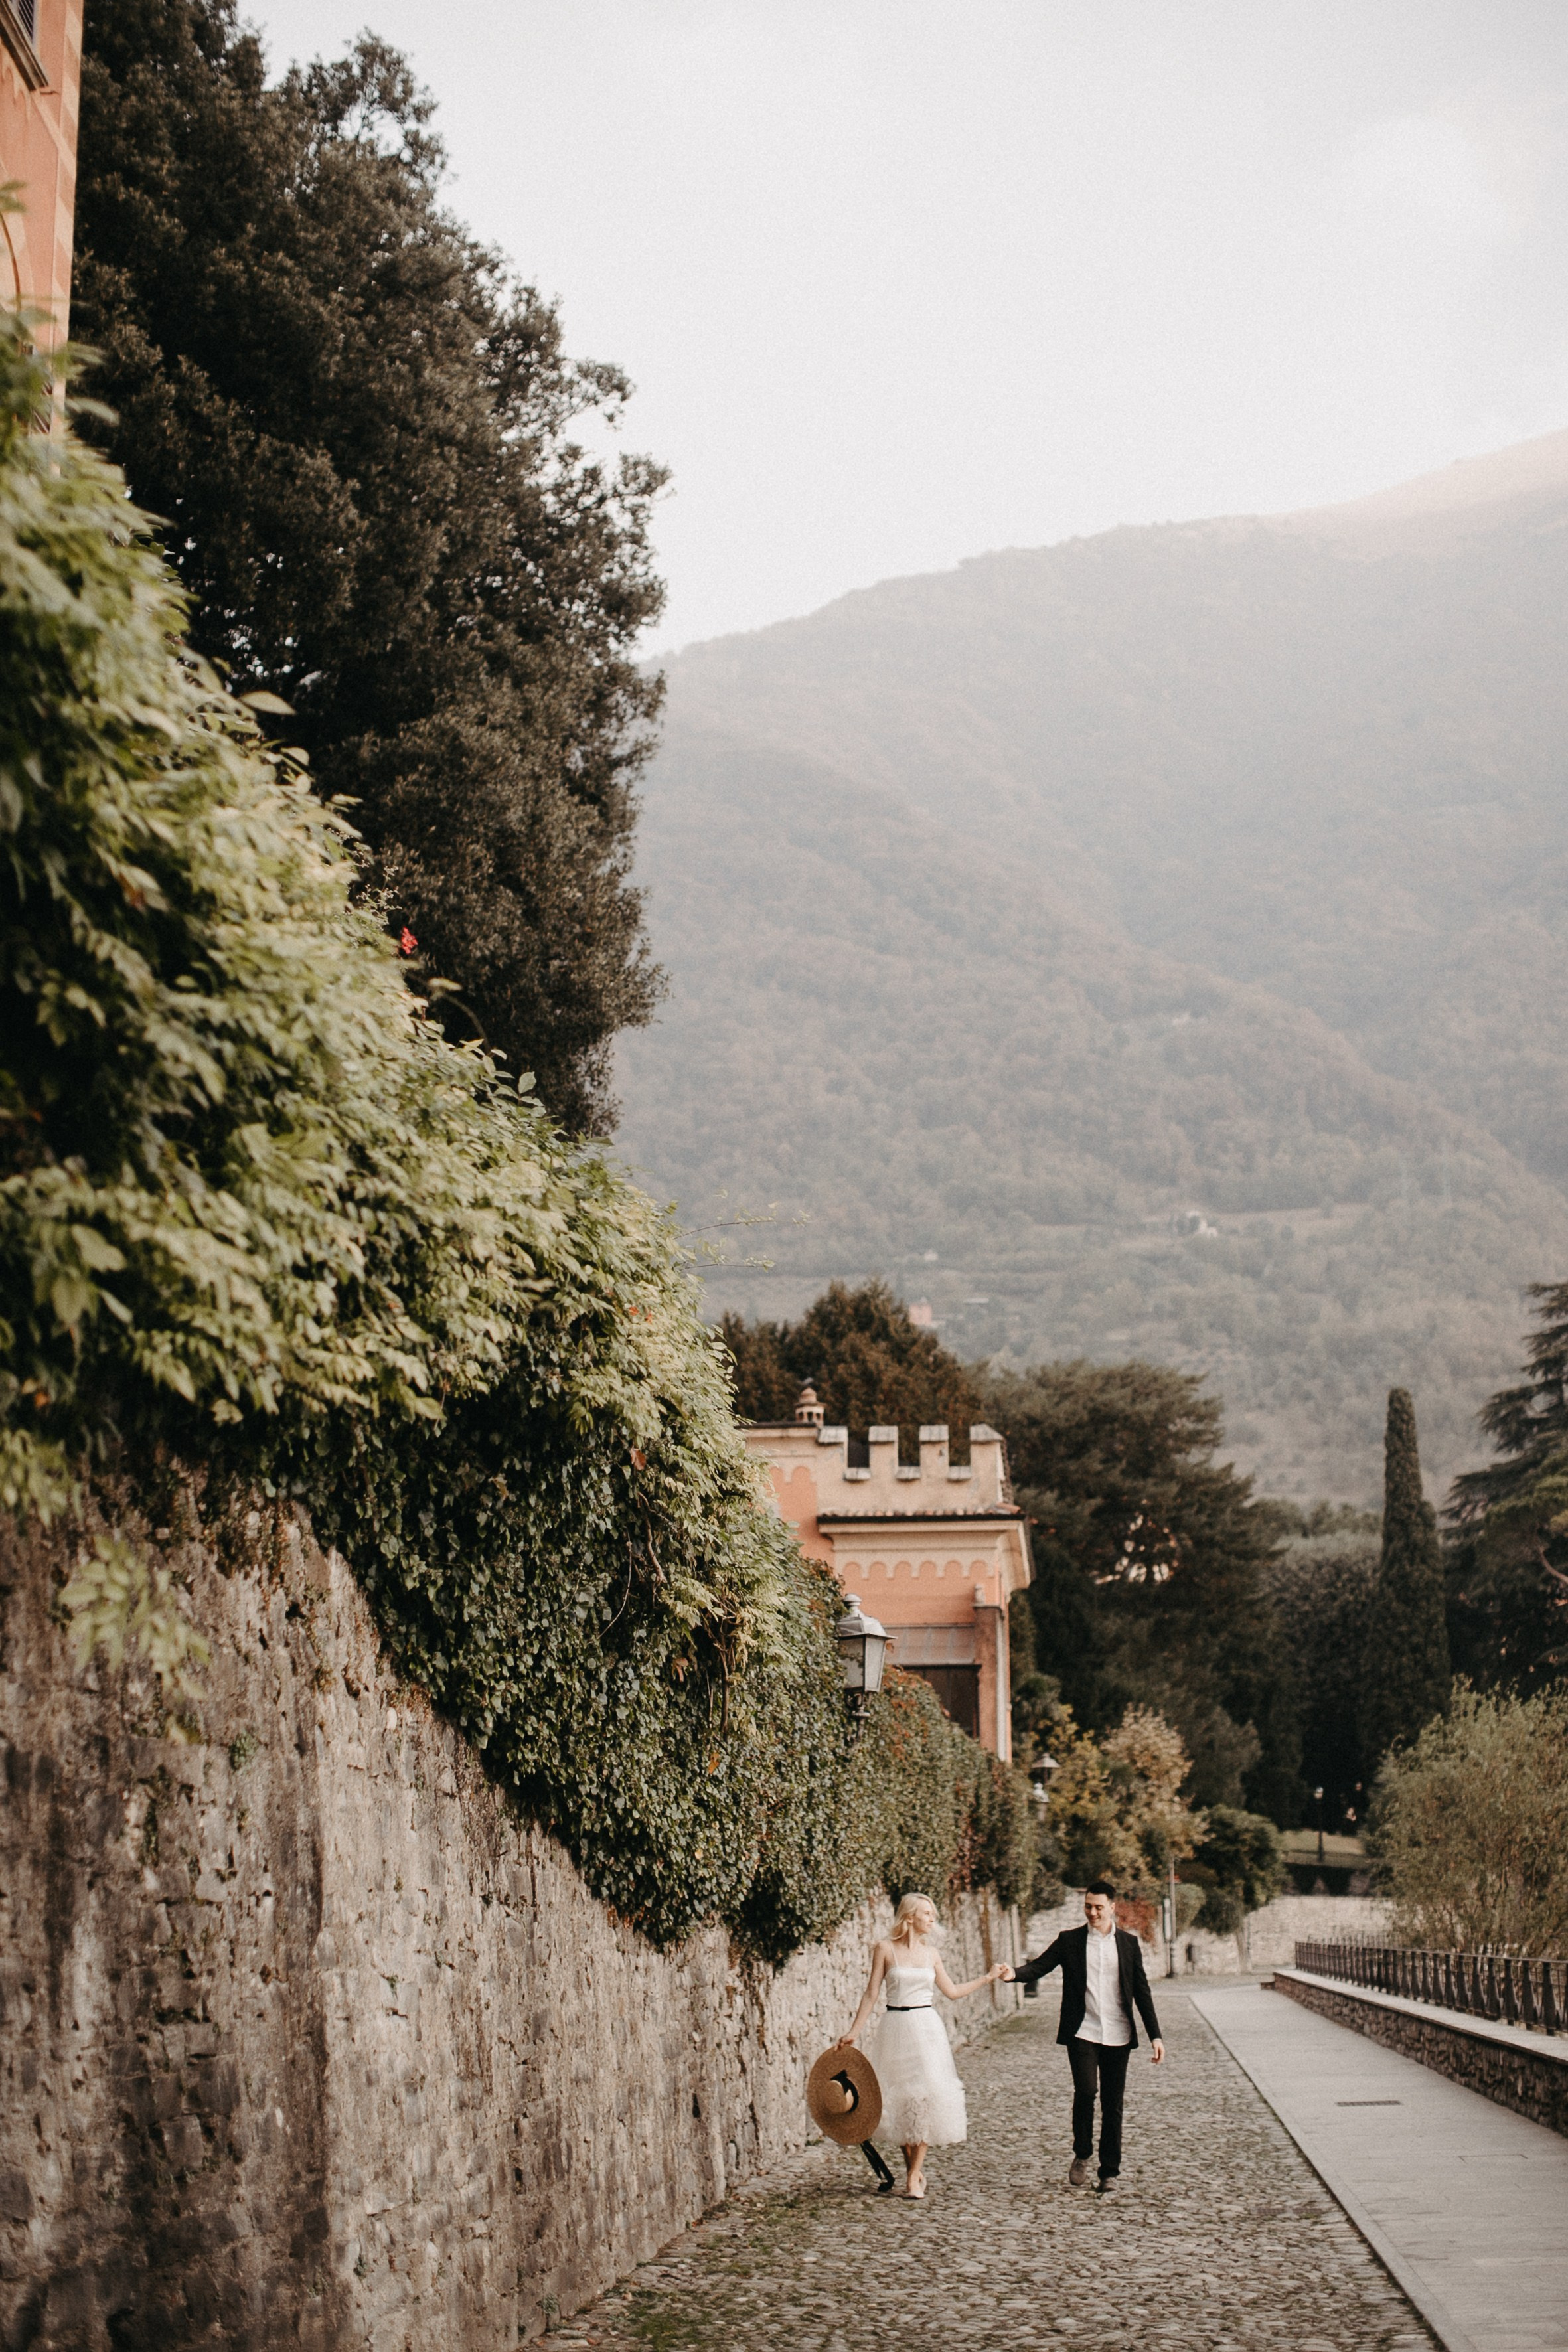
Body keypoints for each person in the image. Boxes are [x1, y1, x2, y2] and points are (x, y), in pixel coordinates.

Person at [836, 1891, 1010, 2199]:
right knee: (899, 2099)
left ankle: (915, 2174)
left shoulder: (931, 1955)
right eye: (927, 1914)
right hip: (895, 2027)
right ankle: (913, 2174)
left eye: (934, 1914)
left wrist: (988, 1977)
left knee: (926, 2097)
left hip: (927, 2029)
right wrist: (853, 2031)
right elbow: (871, 1994)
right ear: (910, 1916)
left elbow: (953, 1992)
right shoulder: (884, 1949)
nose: (933, 1919)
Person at [999, 1879, 1164, 2193]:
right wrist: (1013, 1974)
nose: (1092, 1912)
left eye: (1099, 1907)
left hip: (1119, 2033)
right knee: (1086, 2092)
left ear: (1112, 1908)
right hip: (1083, 2031)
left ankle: (1109, 2172)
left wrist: (1156, 2035)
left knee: (1113, 2103)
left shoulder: (1128, 1945)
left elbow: (1142, 1991)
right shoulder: (1070, 1941)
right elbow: (1040, 1966)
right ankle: (1082, 2153)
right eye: (1088, 1906)